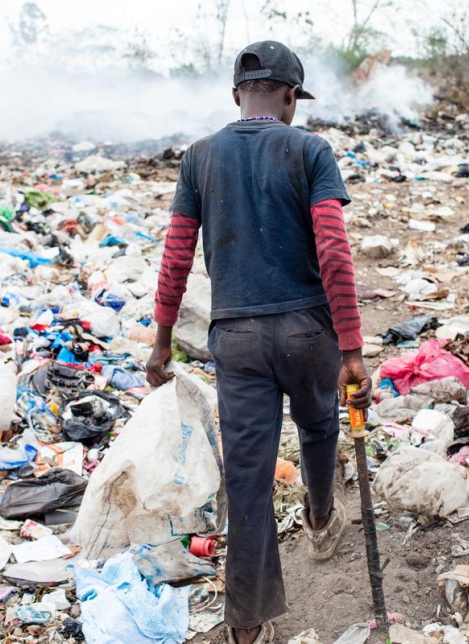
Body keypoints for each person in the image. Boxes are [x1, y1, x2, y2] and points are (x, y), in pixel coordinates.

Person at [145, 41, 373, 644]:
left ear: (235, 96)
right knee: (320, 422)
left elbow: (176, 257)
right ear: (291, 97)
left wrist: (162, 339)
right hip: (307, 331)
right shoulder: (310, 150)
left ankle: (246, 627)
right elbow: (333, 252)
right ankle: (322, 514)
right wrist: (351, 349)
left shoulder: (199, 157)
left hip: (236, 336)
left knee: (246, 478)